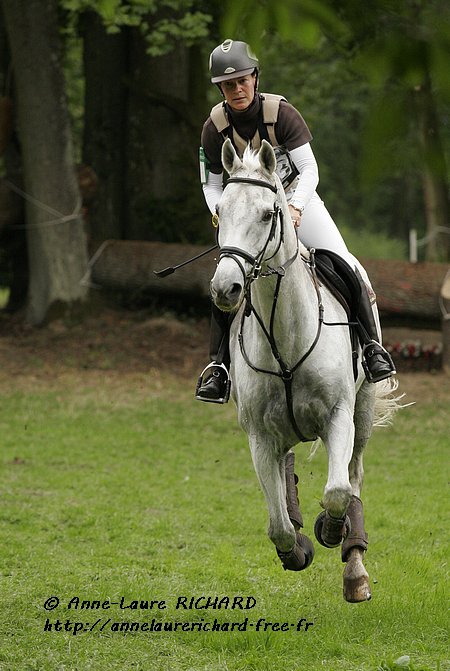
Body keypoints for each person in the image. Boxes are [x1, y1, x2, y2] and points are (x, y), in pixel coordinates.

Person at [196, 38, 395, 403]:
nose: (236, 89)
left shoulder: (280, 113)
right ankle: (219, 369)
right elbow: (210, 185)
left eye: (242, 80)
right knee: (226, 277)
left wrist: (296, 206)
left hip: (295, 200)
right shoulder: (214, 126)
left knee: (346, 263)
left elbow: (309, 169)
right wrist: (220, 214)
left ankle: (371, 348)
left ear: (255, 77)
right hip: (249, 215)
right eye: (228, 84)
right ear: (220, 88)